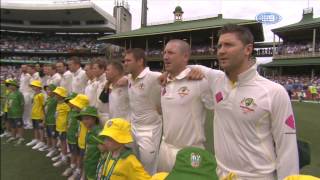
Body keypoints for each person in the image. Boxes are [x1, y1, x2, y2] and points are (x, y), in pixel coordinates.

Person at [192, 24, 299, 179]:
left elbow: (287, 149)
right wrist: (167, 76)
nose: (221, 50)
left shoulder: (274, 92)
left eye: (228, 45)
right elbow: (188, 67)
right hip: (221, 174)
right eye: (219, 46)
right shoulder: (216, 80)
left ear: (248, 49)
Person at [158, 39, 214, 172]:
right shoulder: (164, 81)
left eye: (171, 53)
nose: (165, 56)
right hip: (165, 149)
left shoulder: (200, 81)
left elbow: (218, 108)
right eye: (165, 52)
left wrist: (198, 69)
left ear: (185, 56)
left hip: (191, 152)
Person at [123, 48, 162, 175]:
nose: (125, 63)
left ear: (140, 61)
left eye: (128, 60)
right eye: (124, 60)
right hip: (133, 127)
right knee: (135, 164)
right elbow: (125, 78)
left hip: (150, 130)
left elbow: (170, 78)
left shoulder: (153, 77)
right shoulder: (129, 78)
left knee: (148, 168)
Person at [62, 93, 88, 178]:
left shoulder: (87, 117)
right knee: (78, 155)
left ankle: (81, 174)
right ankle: (76, 170)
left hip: (85, 142)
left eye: (76, 104)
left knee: (83, 158)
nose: (73, 105)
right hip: (79, 140)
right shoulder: (76, 113)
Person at [76, 106, 102, 180]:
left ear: (94, 119)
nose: (84, 121)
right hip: (89, 165)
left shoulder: (97, 132)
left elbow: (103, 151)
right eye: (82, 119)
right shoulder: (89, 131)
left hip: (95, 168)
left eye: (87, 118)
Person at [52, 86, 70, 167]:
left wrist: (67, 124)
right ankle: (62, 155)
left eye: (57, 94)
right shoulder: (59, 104)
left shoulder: (65, 105)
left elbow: (69, 115)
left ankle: (64, 158)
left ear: (61, 95)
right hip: (59, 126)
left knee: (63, 143)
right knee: (61, 142)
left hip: (63, 128)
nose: (55, 95)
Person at [26, 80, 46, 150]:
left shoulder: (41, 95)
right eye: (32, 86)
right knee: (35, 128)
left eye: (34, 86)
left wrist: (44, 116)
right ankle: (36, 139)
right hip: (34, 114)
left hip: (39, 114)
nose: (32, 87)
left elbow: (43, 106)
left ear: (38, 87)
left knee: (40, 129)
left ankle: (42, 141)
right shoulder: (35, 94)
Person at [5, 79, 25, 145]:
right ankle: (13, 136)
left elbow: (22, 104)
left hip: (17, 113)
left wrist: (21, 112)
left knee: (19, 125)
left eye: (11, 85)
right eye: (10, 85)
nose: (10, 86)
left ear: (15, 86)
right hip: (10, 113)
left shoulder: (19, 93)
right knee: (12, 125)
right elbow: (8, 102)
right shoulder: (10, 93)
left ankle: (21, 137)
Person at [92, 58, 109, 125]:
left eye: (95, 68)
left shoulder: (107, 81)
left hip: (106, 115)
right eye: (93, 68)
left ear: (102, 69)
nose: (93, 70)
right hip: (98, 113)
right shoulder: (98, 81)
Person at [43, 84, 59, 154]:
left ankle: (54, 148)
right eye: (46, 90)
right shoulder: (48, 99)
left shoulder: (56, 99)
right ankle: (49, 146)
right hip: (47, 119)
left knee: (53, 135)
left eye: (49, 90)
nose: (47, 91)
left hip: (53, 120)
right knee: (48, 134)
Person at [19, 64, 33, 129]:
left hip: (27, 94)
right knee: (23, 109)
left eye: (24, 68)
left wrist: (30, 95)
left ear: (27, 68)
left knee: (28, 109)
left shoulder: (29, 75)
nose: (23, 69)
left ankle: (29, 123)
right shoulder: (22, 75)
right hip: (22, 93)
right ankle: (24, 122)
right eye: (22, 67)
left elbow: (31, 86)